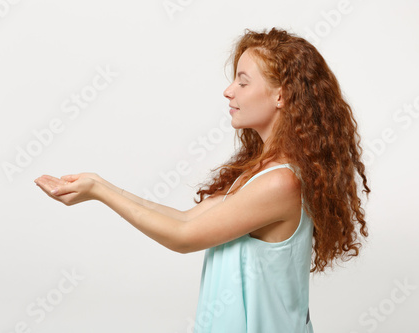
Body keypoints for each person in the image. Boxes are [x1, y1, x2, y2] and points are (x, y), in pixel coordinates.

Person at [34, 27, 370, 333]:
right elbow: (183, 219)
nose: (228, 91)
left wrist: (99, 192)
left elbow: (183, 237)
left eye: (243, 81)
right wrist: (100, 186)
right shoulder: (261, 172)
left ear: (280, 95)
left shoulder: (280, 183)